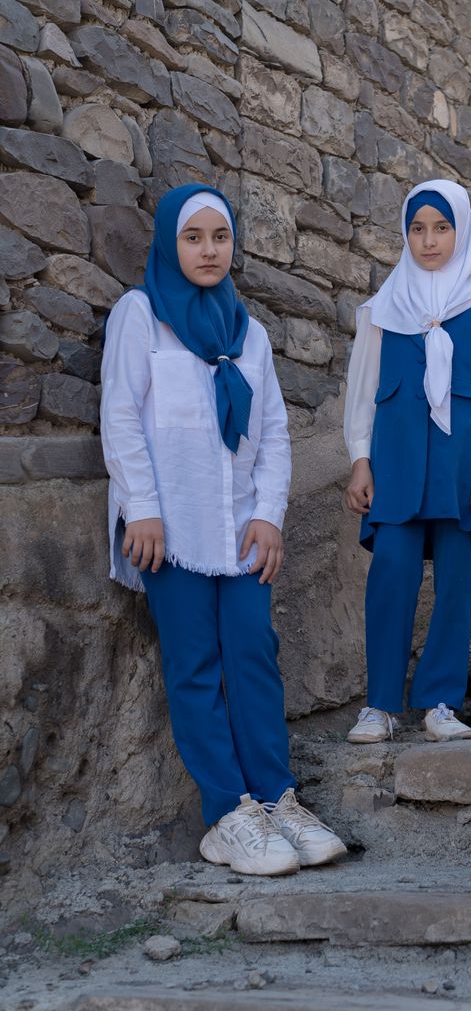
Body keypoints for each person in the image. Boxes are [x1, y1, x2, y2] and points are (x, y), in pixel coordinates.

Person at [100, 183, 346, 877]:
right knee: (195, 667)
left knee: (252, 657)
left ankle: (277, 799)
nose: (209, 250)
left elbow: (272, 436)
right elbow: (120, 417)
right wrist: (139, 505)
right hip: (168, 530)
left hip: (239, 532)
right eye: (193, 237)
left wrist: (268, 517)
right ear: (169, 244)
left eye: (220, 237)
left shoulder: (251, 334)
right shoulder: (141, 316)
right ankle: (227, 815)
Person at [343, 178, 471, 743]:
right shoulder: (382, 309)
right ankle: (379, 705)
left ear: (461, 230)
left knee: (454, 579)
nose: (429, 240)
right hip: (395, 465)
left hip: (459, 469)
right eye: (417, 228)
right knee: (391, 572)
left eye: (441, 227)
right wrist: (360, 459)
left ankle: (440, 701)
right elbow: (362, 391)